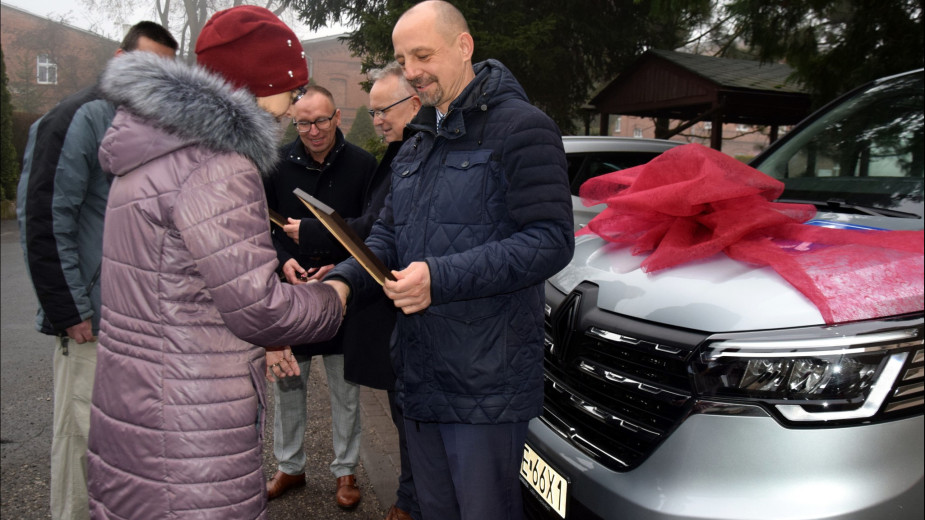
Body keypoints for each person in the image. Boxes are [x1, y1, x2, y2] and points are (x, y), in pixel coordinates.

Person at [83, 6, 345, 519]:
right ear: (256, 83)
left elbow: (179, 277)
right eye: (291, 90)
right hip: (190, 426)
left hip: (137, 406)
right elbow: (258, 311)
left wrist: (263, 274)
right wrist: (336, 295)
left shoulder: (154, 147)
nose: (293, 107)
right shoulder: (220, 163)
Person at [324, 1, 575, 519]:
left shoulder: (523, 128)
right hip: (419, 373)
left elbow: (551, 240)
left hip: (486, 382)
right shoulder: (419, 143)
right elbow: (389, 235)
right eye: (402, 58)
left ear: (463, 47)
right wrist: (344, 282)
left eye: (422, 54)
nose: (411, 70)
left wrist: (438, 278)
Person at [15, 21, 177, 520]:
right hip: (92, 322)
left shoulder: (153, 123)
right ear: (117, 56)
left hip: (142, 322)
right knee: (82, 439)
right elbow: (43, 217)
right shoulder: (76, 116)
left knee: (131, 452)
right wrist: (69, 310)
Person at [262, 85, 377, 509]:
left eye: (321, 120)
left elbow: (371, 228)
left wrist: (341, 267)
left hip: (342, 293)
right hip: (291, 292)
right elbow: (260, 225)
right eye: (304, 122)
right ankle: (290, 466)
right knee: (289, 384)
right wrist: (280, 261)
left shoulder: (363, 165)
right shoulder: (274, 163)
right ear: (295, 121)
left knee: (346, 388)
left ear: (338, 116)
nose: (313, 130)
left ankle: (345, 471)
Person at [361, 61, 422, 520]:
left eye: (384, 110)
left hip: (419, 306)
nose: (378, 120)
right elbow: (381, 228)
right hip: (399, 310)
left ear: (414, 103)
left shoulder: (416, 154)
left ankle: (411, 500)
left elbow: (375, 228)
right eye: (372, 112)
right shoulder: (401, 152)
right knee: (402, 411)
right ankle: (409, 496)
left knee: (413, 416)